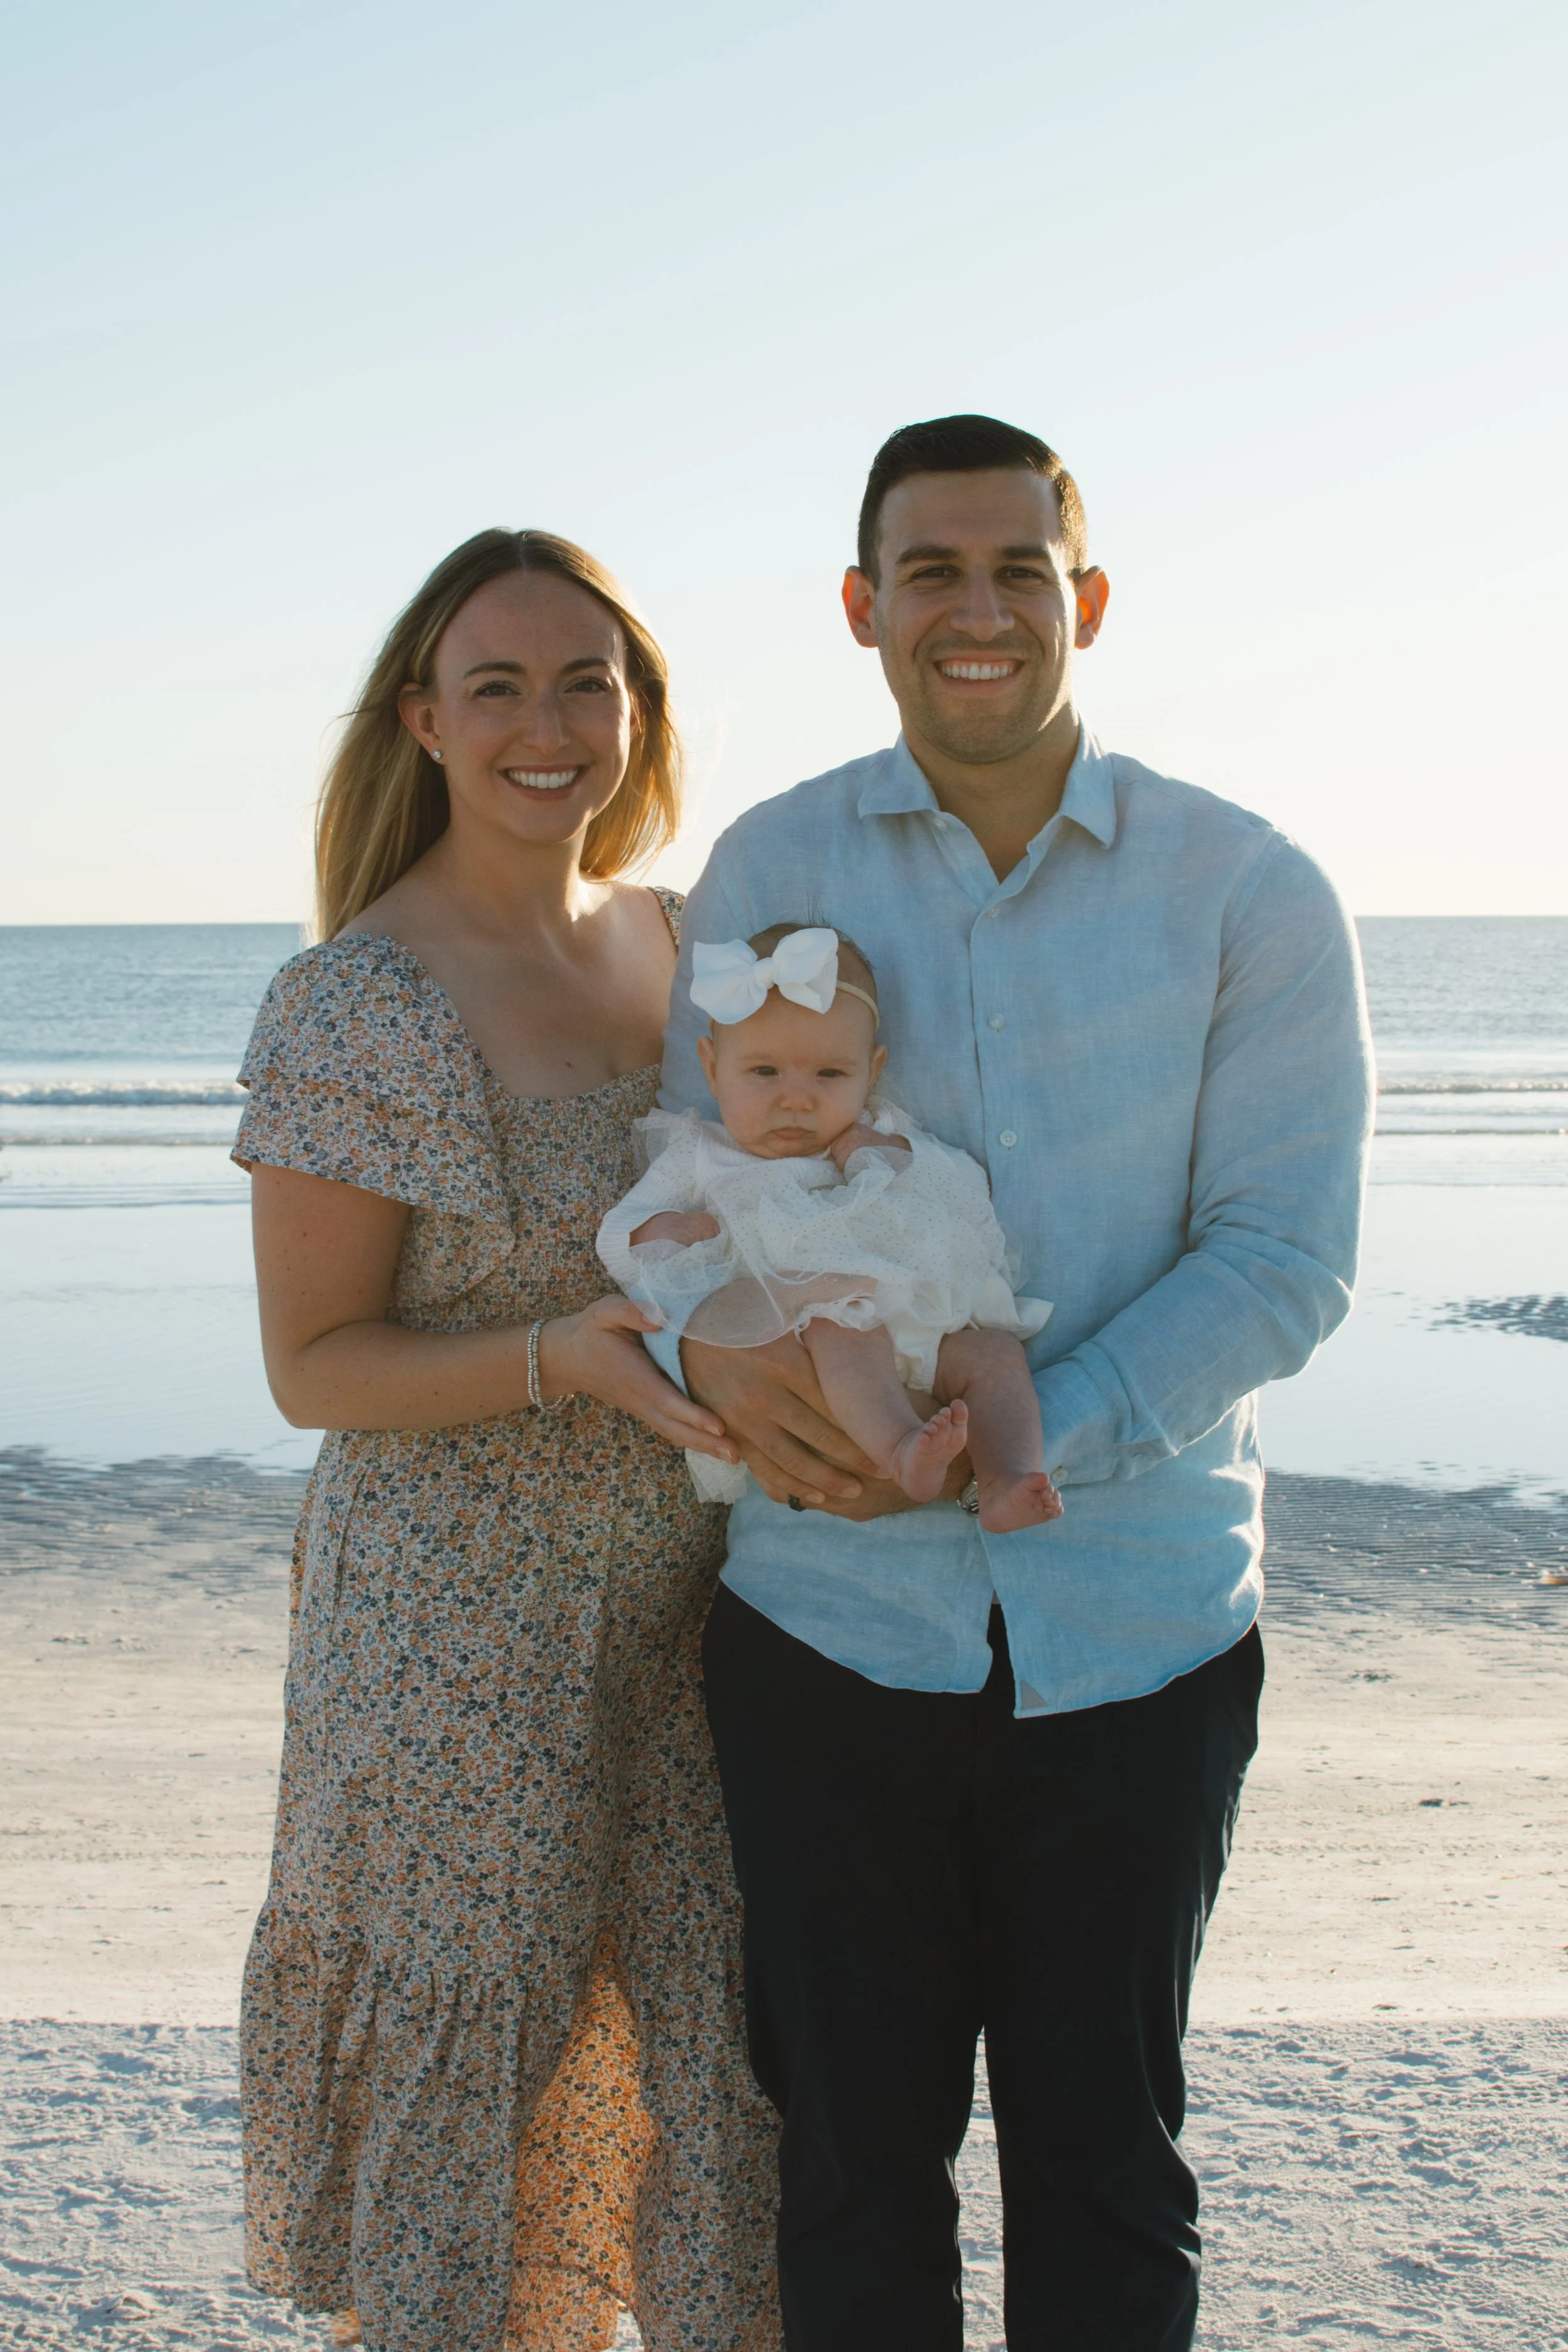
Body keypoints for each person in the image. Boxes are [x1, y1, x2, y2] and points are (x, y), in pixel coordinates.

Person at [657, 416, 1375, 2349]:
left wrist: (1024, 1438)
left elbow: (1279, 1255)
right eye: (929, 570)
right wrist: (739, 1370)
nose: (973, 609)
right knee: (845, 2162)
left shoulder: (1247, 887)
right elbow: (686, 1184)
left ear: (1086, 598)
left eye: (1015, 570)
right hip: (823, 1633)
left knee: (1103, 2162)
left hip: (1134, 1632)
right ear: (859, 605)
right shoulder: (766, 859)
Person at [232, 527, 780, 2352]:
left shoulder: (687, 944)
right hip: (450, 1646)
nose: (548, 725)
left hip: (692, 1621)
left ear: (639, 707)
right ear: (424, 719)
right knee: (472, 2092)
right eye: (498, 685)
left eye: (585, 681)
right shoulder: (358, 997)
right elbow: (313, 1364)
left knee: (714, 2069)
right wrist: (558, 1356)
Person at [595, 923, 1059, 1529]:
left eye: (830, 1076)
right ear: (712, 1068)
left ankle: (1007, 1478)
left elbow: (966, 1189)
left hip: (921, 1327)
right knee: (842, 1325)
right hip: (817, 1334)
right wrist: (662, 1232)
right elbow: (616, 1238)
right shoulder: (699, 1155)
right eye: (764, 1072)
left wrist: (889, 1153)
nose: (796, 1099)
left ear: (872, 1069)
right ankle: (900, 1448)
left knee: (995, 1355)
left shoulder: (877, 1128)